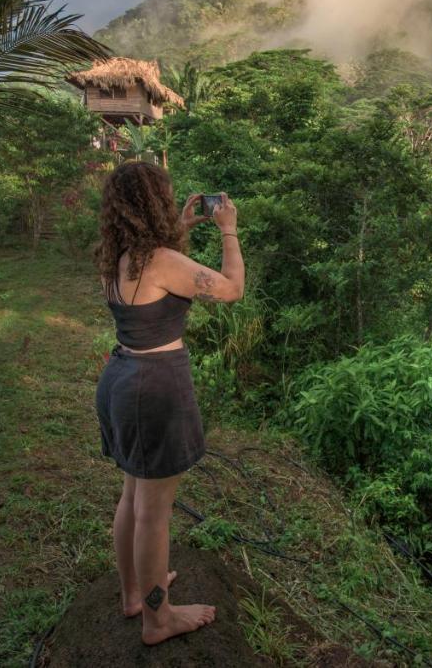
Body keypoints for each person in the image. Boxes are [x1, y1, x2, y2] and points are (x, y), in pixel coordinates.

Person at [92, 159, 245, 646]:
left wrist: (179, 229)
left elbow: (153, 280)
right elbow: (232, 290)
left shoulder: (116, 257)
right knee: (155, 512)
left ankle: (135, 594)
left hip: (121, 377)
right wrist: (228, 232)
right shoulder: (160, 260)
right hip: (155, 388)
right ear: (153, 204)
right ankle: (158, 620)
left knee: (133, 496)